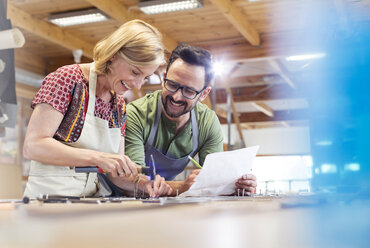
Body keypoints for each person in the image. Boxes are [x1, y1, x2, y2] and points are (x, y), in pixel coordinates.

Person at [23, 19, 172, 198]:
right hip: (47, 202)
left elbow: (115, 174)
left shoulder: (118, 105)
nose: (138, 85)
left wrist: (144, 184)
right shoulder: (67, 79)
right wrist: (98, 158)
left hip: (89, 202)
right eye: (135, 72)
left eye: (146, 78)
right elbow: (33, 146)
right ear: (113, 55)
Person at [125, 43, 257, 195]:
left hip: (162, 200)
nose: (176, 97)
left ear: (204, 94)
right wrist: (181, 187)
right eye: (172, 85)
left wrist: (236, 186)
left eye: (188, 90)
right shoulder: (135, 114)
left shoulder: (207, 122)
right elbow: (133, 181)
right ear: (163, 79)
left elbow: (214, 181)